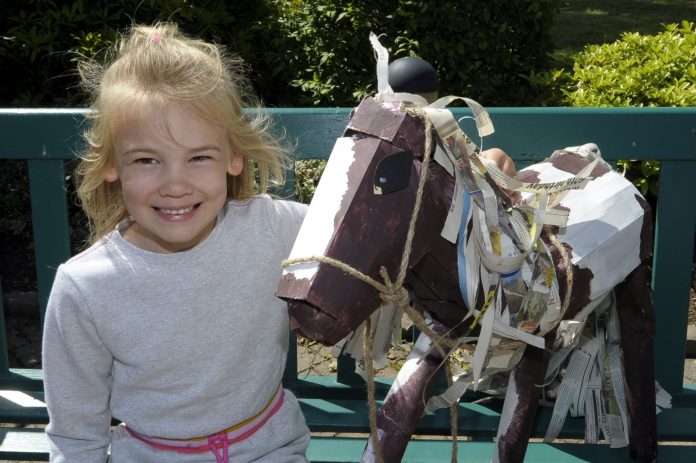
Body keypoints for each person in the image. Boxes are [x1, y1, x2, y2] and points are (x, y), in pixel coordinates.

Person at [42, 22, 310, 463]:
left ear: (233, 157)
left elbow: (364, 237)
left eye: (199, 157)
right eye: (147, 160)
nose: (175, 185)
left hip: (270, 450)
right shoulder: (85, 287)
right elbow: (75, 438)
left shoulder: (274, 228)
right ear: (113, 166)